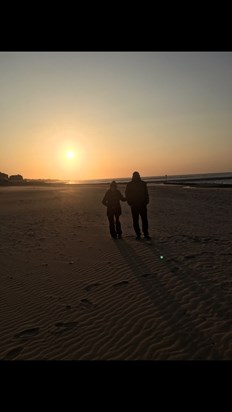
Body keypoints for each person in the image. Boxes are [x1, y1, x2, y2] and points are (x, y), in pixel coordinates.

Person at [125, 171, 151, 240]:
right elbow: (127, 194)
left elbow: (146, 193)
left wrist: (146, 201)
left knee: (144, 220)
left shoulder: (142, 183)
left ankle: (145, 234)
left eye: (137, 175)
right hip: (134, 205)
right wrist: (130, 202)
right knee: (136, 221)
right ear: (133, 176)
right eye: (135, 175)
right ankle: (139, 234)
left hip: (142, 204)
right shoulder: (130, 184)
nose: (136, 176)